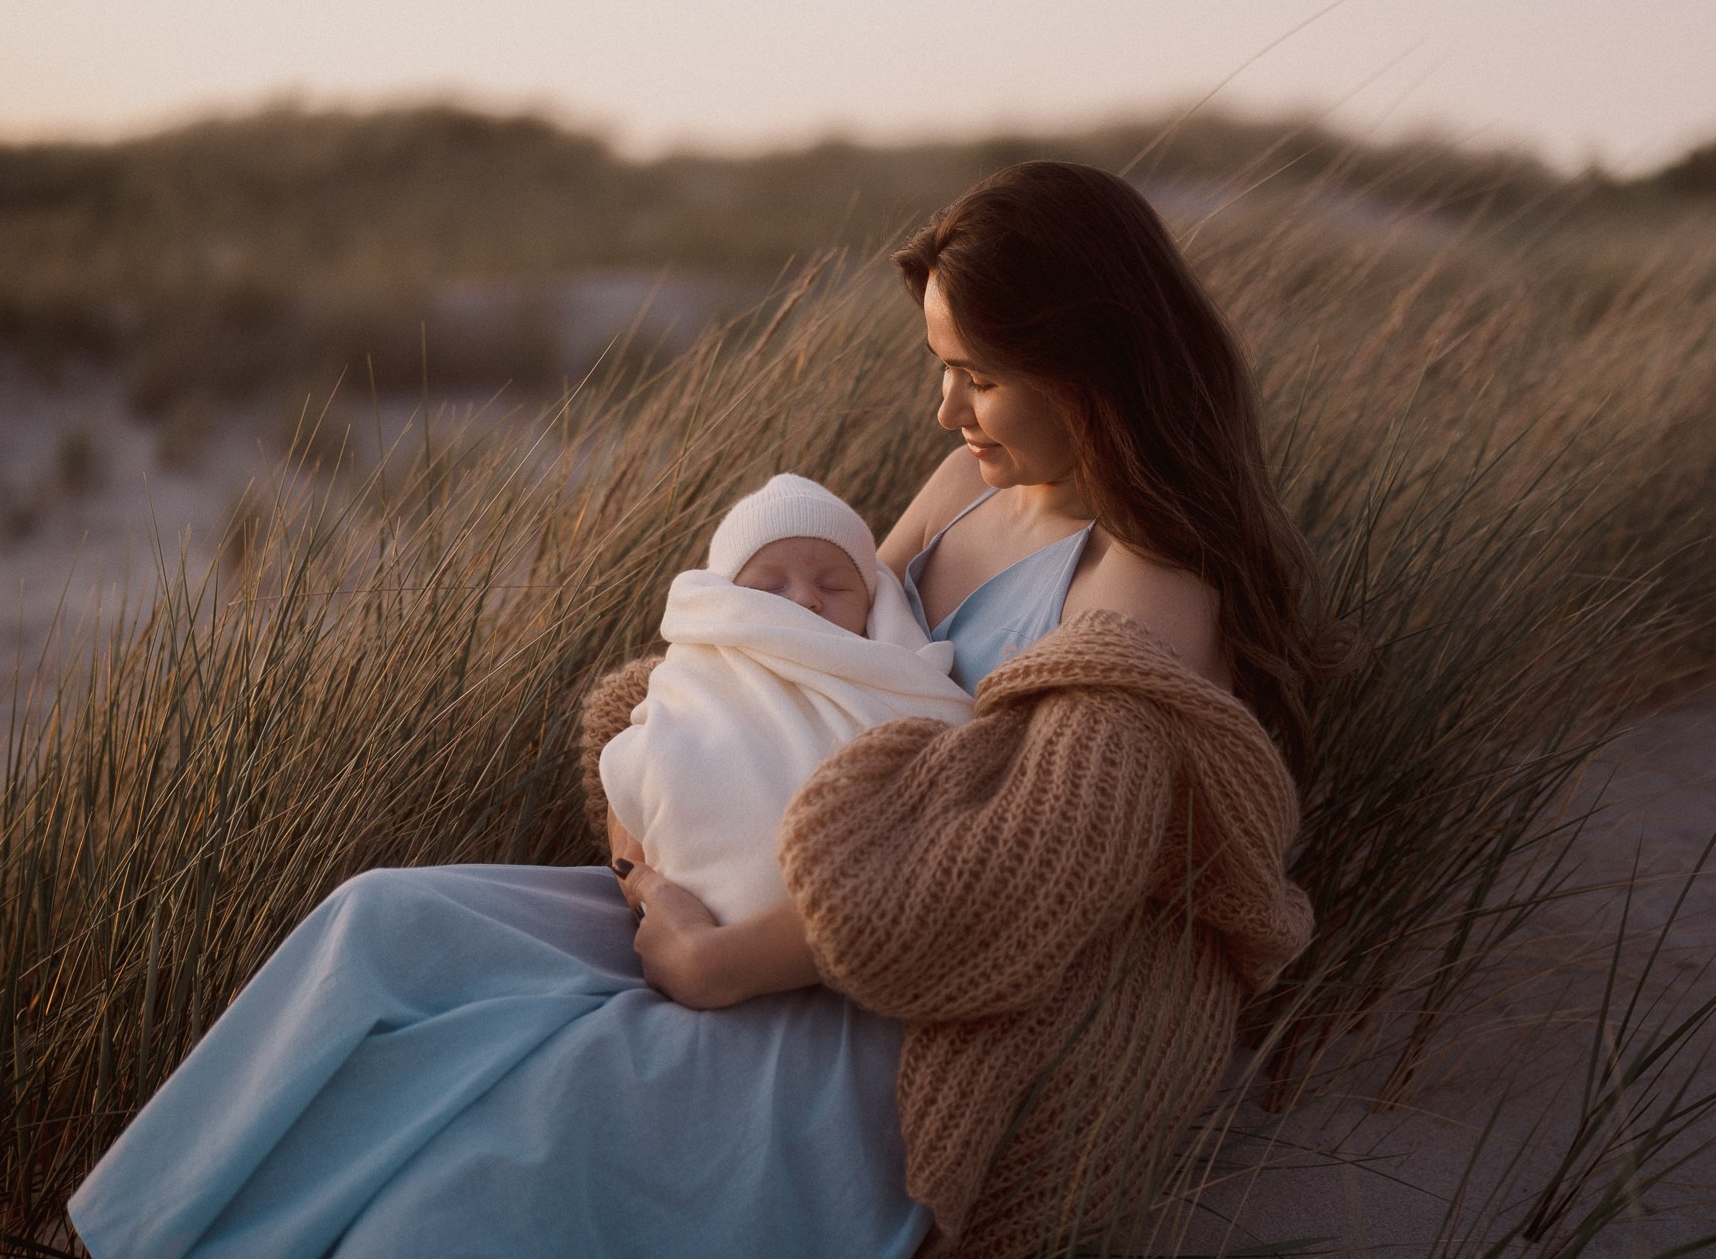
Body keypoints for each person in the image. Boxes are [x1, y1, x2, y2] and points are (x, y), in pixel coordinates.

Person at [68, 161, 1327, 1259]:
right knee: (389, 925)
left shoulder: (1148, 580)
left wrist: (715, 961)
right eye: (939, 369)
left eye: (977, 377)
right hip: (736, 881)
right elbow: (782, 656)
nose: (944, 410)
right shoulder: (961, 484)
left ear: (1089, 361)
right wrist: (643, 842)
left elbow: (1019, 887)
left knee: (514, 1151)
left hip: (886, 992)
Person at [594, 471, 973, 940]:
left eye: (833, 586)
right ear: (728, 602)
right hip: (683, 888)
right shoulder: (709, 665)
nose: (805, 599)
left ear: (874, 607)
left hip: (837, 910)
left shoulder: (895, 677)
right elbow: (664, 729)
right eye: (770, 587)